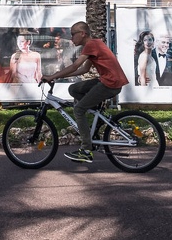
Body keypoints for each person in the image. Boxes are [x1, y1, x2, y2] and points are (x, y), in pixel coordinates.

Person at [41, 21, 129, 163]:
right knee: (73, 89)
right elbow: (84, 69)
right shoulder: (94, 44)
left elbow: (76, 65)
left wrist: (52, 76)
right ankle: (96, 116)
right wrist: (60, 76)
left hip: (110, 83)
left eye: (73, 34)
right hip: (108, 81)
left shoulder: (91, 45)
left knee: (79, 110)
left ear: (83, 34)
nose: (71, 38)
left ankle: (86, 150)